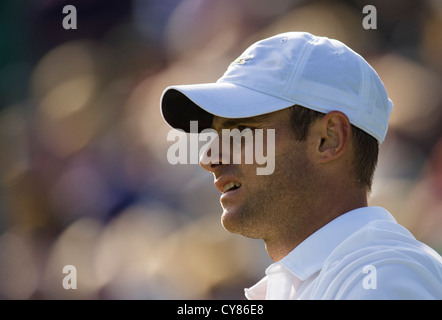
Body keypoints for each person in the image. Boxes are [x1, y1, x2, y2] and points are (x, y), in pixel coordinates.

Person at [160, 32, 442, 299]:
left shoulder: (382, 278)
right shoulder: (348, 275)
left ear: (328, 139)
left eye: (242, 130)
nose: (208, 159)